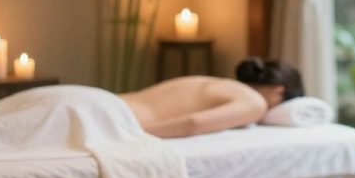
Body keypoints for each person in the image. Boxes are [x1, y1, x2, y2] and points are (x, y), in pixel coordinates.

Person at [120, 57, 304, 138]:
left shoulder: (218, 82)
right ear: (279, 91)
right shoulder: (255, 103)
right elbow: (192, 124)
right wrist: (133, 134)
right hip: (120, 119)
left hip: (110, 102)